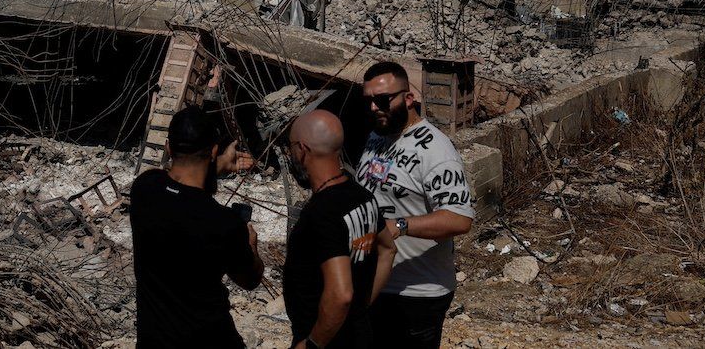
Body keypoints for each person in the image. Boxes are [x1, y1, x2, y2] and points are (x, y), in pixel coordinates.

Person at [356, 61, 475, 348]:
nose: (375, 108)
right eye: (369, 101)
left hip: (417, 294)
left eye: (383, 100)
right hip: (375, 285)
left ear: (409, 99)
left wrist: (400, 226)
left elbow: (459, 219)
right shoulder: (377, 137)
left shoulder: (436, 150)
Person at [130, 105, 263, 348]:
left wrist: (218, 164)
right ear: (213, 151)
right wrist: (251, 246)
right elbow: (250, 279)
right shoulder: (224, 223)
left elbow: (180, 187)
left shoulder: (144, 189)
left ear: (169, 148)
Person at [283, 110, 397, 349]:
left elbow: (341, 294)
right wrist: (361, 308)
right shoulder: (362, 196)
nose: (290, 153)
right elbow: (388, 250)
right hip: (359, 332)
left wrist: (313, 343)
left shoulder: (322, 213)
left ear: (302, 149)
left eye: (291, 147)